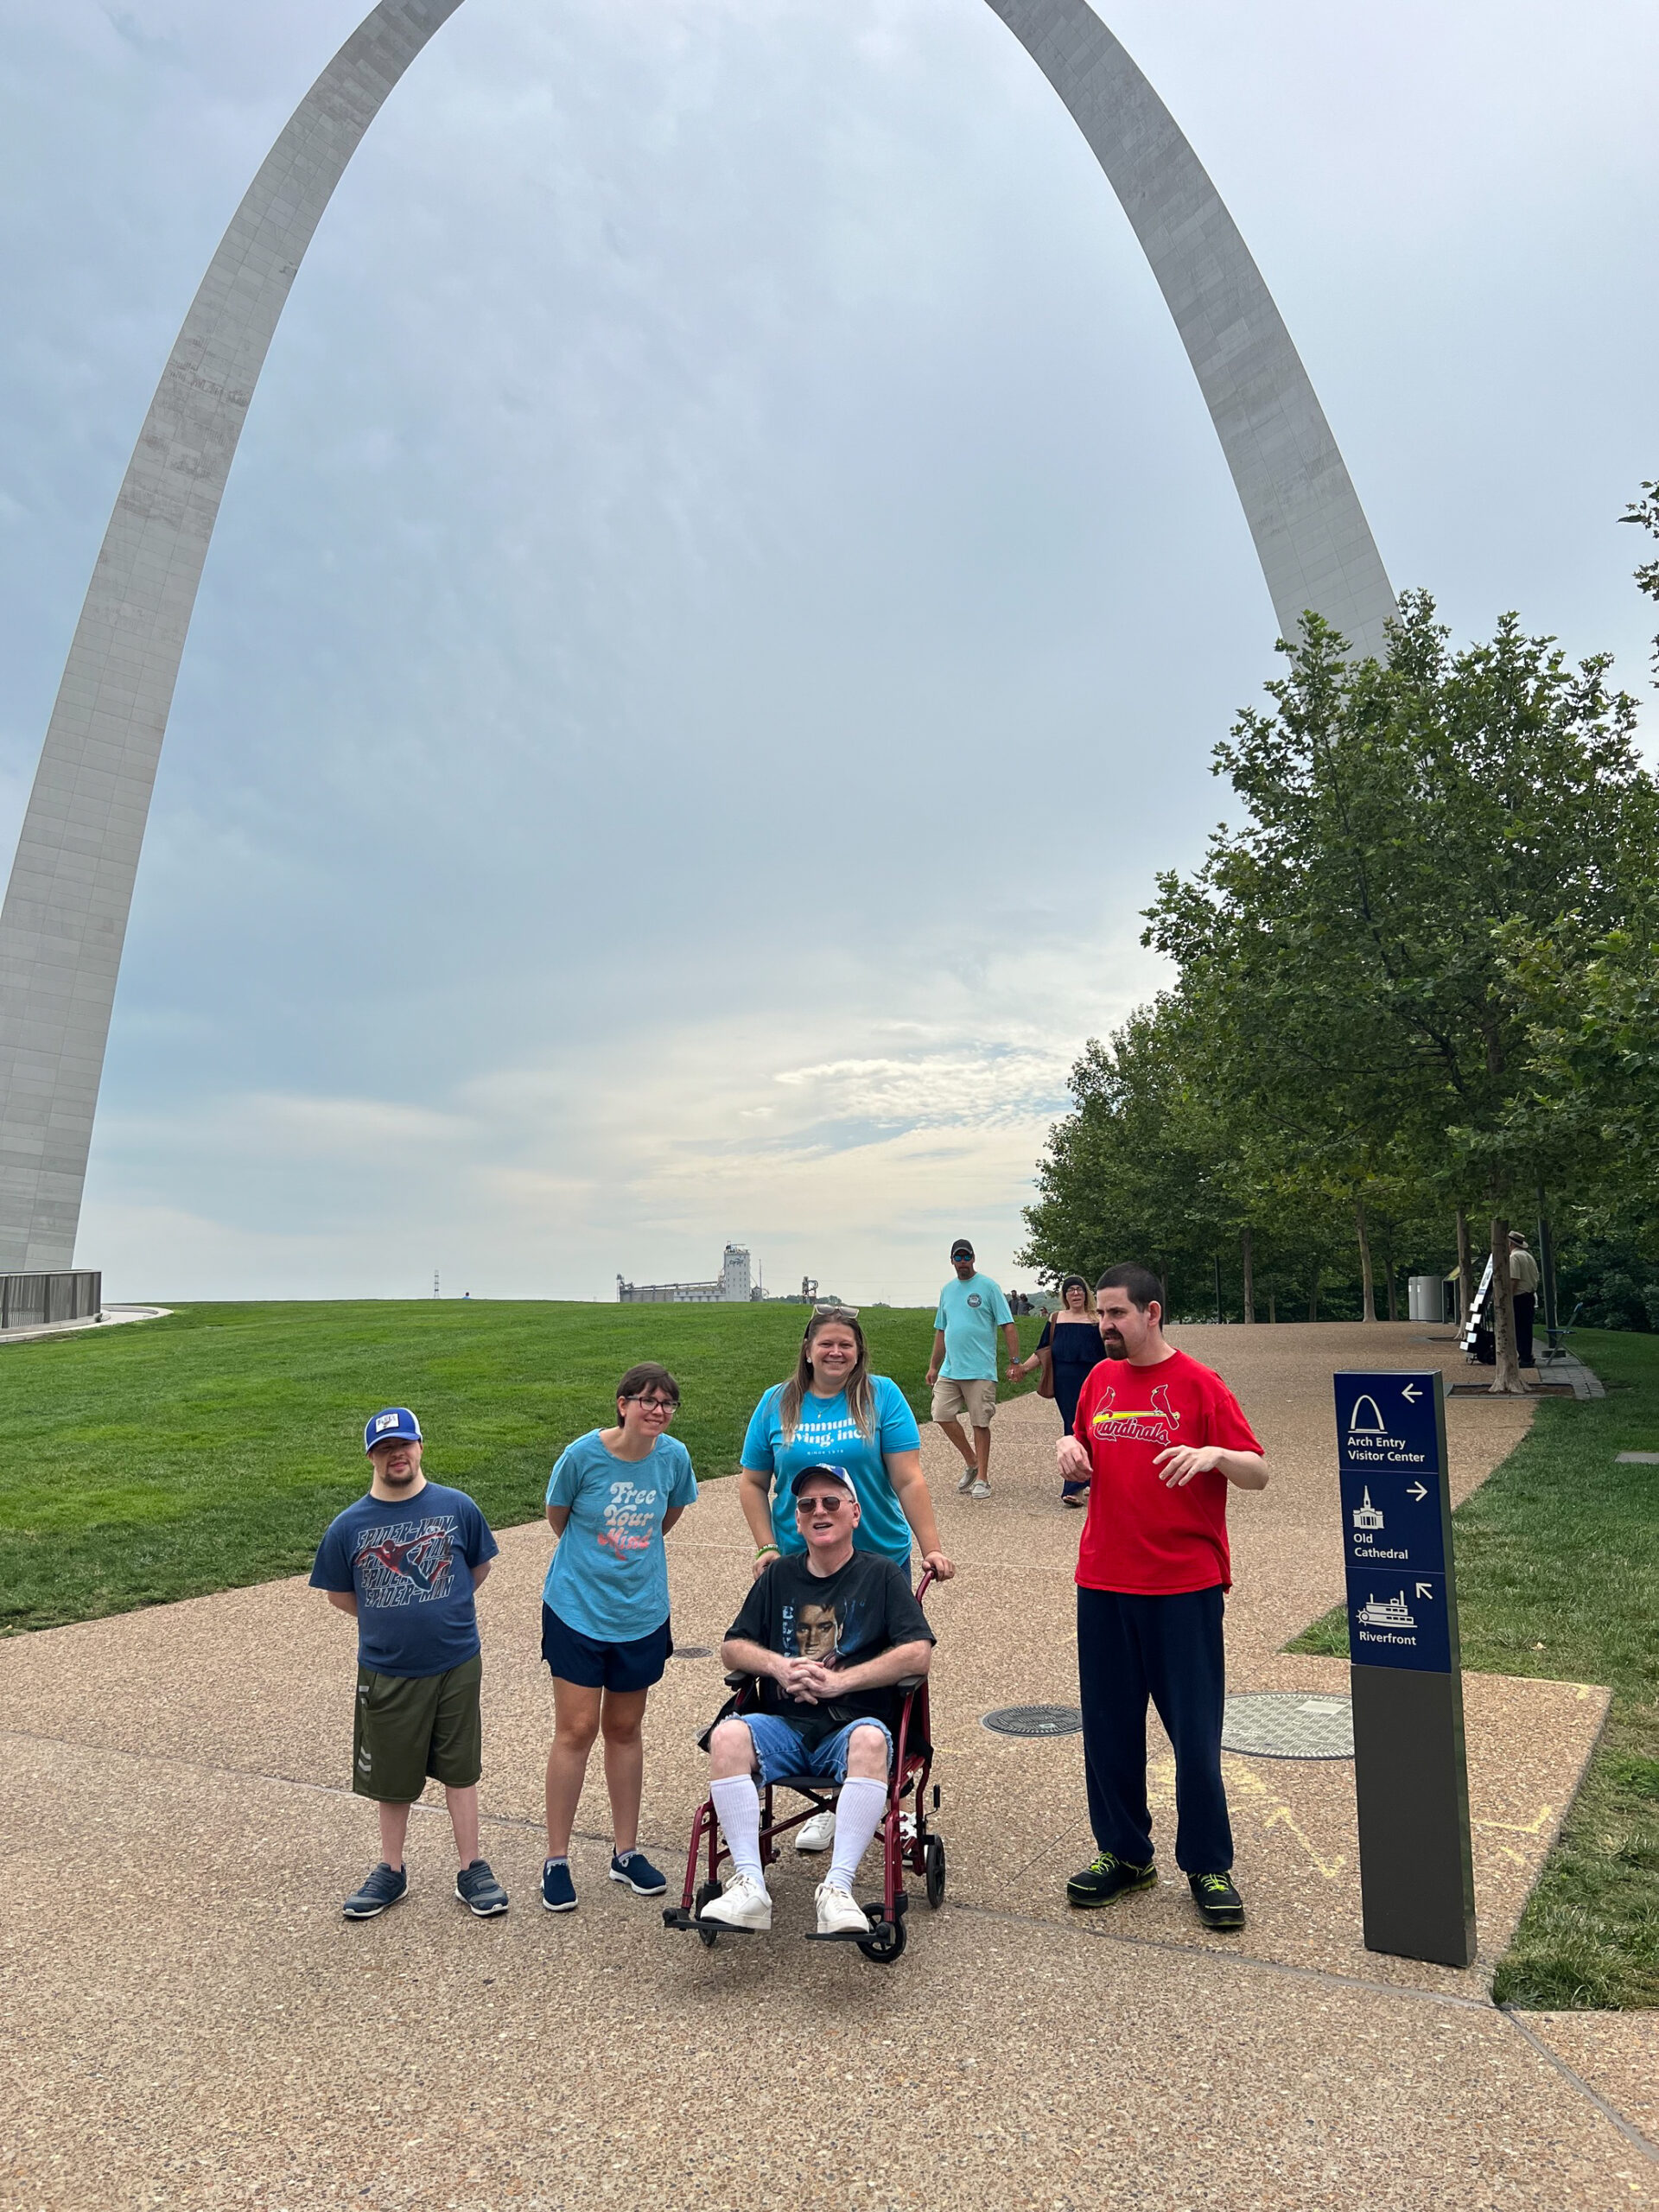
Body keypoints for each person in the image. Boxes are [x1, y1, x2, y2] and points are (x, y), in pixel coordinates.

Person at [1056, 1265, 1268, 1932]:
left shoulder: (1201, 1384)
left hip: (1184, 1586)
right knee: (1110, 1730)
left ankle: (1208, 1864)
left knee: (1194, 1736)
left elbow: (1258, 1471)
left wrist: (1214, 1455)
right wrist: (1068, 1444)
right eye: (1100, 1315)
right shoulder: (1099, 1381)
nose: (1105, 1326)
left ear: (1152, 1313)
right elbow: (1084, 1441)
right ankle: (1124, 1854)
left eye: (1116, 1314)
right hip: (1105, 1579)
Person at [739, 1306, 953, 1854]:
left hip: (876, 1558)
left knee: (880, 1681)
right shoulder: (777, 1402)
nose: (837, 1353)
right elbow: (753, 1482)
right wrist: (767, 1545)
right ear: (808, 1349)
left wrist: (931, 1547)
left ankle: (889, 1797)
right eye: (826, 1344)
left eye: (847, 1345)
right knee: (815, 1673)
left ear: (859, 1352)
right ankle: (837, 1802)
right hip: (804, 1564)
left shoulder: (880, 1397)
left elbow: (907, 1477)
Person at [696, 1464, 935, 1937]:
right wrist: (779, 1666)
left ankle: (838, 1889)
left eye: (831, 1502)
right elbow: (733, 1647)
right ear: (798, 1520)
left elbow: (917, 1653)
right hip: (783, 1725)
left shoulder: (881, 1575)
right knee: (727, 1736)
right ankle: (748, 1884)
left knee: (869, 1739)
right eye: (807, 1505)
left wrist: (841, 1683)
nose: (818, 1511)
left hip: (851, 1726)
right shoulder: (778, 1576)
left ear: (855, 1513)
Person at [311, 1407, 507, 1920]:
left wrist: (439, 1606)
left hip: (456, 1660)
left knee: (461, 1767)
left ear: (420, 1446)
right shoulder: (349, 1525)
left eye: (403, 1444)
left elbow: (477, 1568)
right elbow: (340, 1594)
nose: (395, 1454)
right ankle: (391, 1870)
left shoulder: (457, 1507)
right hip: (388, 1668)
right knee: (392, 1776)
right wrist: (388, 1615)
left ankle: (472, 1866)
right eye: (384, 1448)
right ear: (371, 1457)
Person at [539, 1362, 698, 1913]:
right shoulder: (583, 1455)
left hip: (642, 1611)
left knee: (626, 1728)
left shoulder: (673, 1458)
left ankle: (625, 1852)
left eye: (667, 1403)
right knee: (577, 1729)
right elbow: (557, 1517)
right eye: (648, 1401)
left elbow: (668, 1516)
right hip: (577, 1608)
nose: (658, 1411)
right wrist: (596, 1558)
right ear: (622, 1403)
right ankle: (556, 1858)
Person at [925, 1238, 1021, 1499]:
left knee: (980, 1422)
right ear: (952, 1261)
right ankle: (971, 1461)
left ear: (974, 1258)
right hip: (950, 1369)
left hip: (980, 1370)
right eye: (958, 1258)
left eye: (966, 1257)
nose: (963, 1262)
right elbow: (941, 1330)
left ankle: (983, 1479)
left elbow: (1008, 1325)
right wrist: (934, 1365)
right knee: (941, 1413)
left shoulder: (989, 1287)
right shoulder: (947, 1290)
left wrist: (1015, 1362)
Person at [1012, 1274, 1103, 1506]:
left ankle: (1091, 1478)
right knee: (1074, 1426)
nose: (1075, 1293)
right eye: (1070, 1290)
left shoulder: (1097, 1320)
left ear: (1086, 1294)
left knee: (1096, 1429)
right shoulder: (1055, 1319)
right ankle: (1075, 1485)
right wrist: (1022, 1369)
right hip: (1065, 1383)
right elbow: (1043, 1351)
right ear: (1064, 1295)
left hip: (1095, 1381)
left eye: (1079, 1289)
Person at [1509, 1231, 1541, 1369]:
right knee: (1526, 1328)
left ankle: (1524, 1357)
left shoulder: (1514, 1258)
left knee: (1519, 1328)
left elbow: (1514, 1279)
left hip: (1519, 1296)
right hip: (1529, 1295)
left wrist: (1508, 1297)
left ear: (1510, 1243)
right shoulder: (1528, 1256)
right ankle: (1528, 1355)